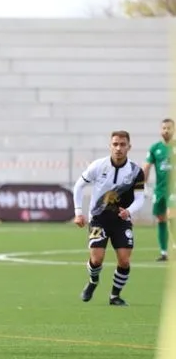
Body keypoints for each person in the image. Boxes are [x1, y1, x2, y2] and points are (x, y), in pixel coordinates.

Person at [73, 130, 145, 307]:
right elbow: (78, 186)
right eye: (115, 144)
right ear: (110, 146)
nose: (118, 148)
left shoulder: (136, 171)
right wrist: (78, 212)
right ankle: (93, 281)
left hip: (121, 220)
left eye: (122, 144)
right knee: (96, 259)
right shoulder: (98, 165)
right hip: (99, 219)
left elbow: (140, 198)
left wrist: (129, 211)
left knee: (124, 260)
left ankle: (115, 296)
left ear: (129, 147)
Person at [142, 118, 174, 261]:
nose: (166, 131)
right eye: (164, 128)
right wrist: (143, 185)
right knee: (161, 219)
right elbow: (146, 167)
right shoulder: (155, 148)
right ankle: (164, 252)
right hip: (160, 190)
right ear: (160, 130)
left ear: (173, 130)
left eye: (169, 128)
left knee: (172, 216)